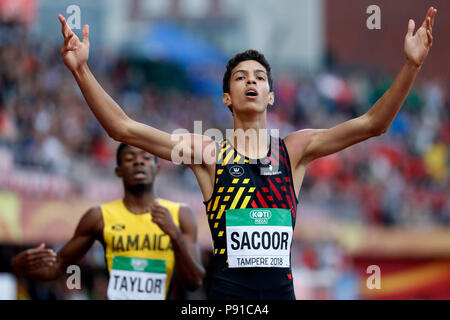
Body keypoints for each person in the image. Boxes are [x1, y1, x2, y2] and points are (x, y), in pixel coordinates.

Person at [55, 7, 437, 299]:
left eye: (259, 77)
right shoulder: (208, 154)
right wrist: (82, 71)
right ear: (227, 97)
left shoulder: (295, 150)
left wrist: (411, 65)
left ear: (270, 95)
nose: (250, 80)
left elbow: (374, 123)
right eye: (241, 77)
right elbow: (122, 128)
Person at [12, 143, 205, 300]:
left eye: (146, 158)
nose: (138, 162)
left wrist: (176, 236)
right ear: (118, 171)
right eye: (130, 159)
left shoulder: (180, 215)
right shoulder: (99, 216)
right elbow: (57, 267)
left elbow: (194, 281)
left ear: (156, 168)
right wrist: (18, 266)